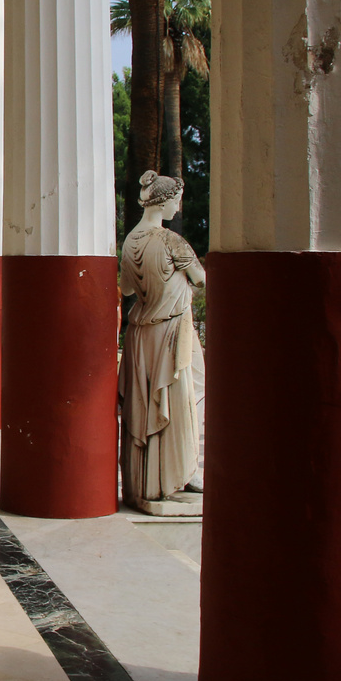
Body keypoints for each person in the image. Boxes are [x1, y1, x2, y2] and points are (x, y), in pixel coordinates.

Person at [117, 170, 205, 511]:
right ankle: (174, 475)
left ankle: (146, 483)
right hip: (171, 331)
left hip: (141, 332)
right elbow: (199, 278)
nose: (178, 207)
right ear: (165, 201)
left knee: (144, 404)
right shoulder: (170, 241)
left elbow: (125, 288)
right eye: (177, 200)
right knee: (189, 393)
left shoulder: (131, 241)